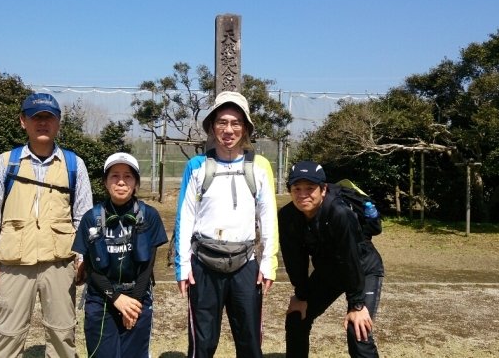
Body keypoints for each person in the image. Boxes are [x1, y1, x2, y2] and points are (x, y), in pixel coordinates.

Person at [0, 92, 93, 358]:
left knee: (63, 333)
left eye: (48, 117)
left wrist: (84, 257)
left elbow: (83, 217)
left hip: (59, 263)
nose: (42, 123)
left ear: (58, 123)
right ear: (22, 121)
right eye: (35, 117)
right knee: (9, 334)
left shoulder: (74, 165)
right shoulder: (5, 163)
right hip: (14, 263)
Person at [174, 91, 279, 358]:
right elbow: (185, 216)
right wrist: (183, 265)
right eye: (222, 122)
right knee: (203, 343)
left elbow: (268, 216)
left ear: (245, 128)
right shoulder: (197, 166)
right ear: (212, 126)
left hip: (245, 264)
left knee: (249, 343)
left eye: (236, 123)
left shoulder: (259, 166)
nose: (228, 130)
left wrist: (268, 263)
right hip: (203, 265)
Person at [278, 161, 384, 358]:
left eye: (310, 188)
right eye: (296, 188)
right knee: (297, 318)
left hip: (362, 268)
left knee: (357, 327)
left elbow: (349, 258)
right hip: (329, 273)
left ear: (323, 189)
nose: (303, 194)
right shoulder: (287, 216)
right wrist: (301, 295)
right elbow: (295, 258)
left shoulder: (340, 213)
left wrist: (357, 305)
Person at [72, 152, 168, 358]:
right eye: (114, 176)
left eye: (128, 176)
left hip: (137, 297)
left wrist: (133, 302)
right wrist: (116, 298)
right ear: (105, 182)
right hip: (101, 299)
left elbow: (148, 266)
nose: (121, 182)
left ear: (136, 183)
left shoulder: (149, 215)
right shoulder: (91, 218)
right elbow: (91, 268)